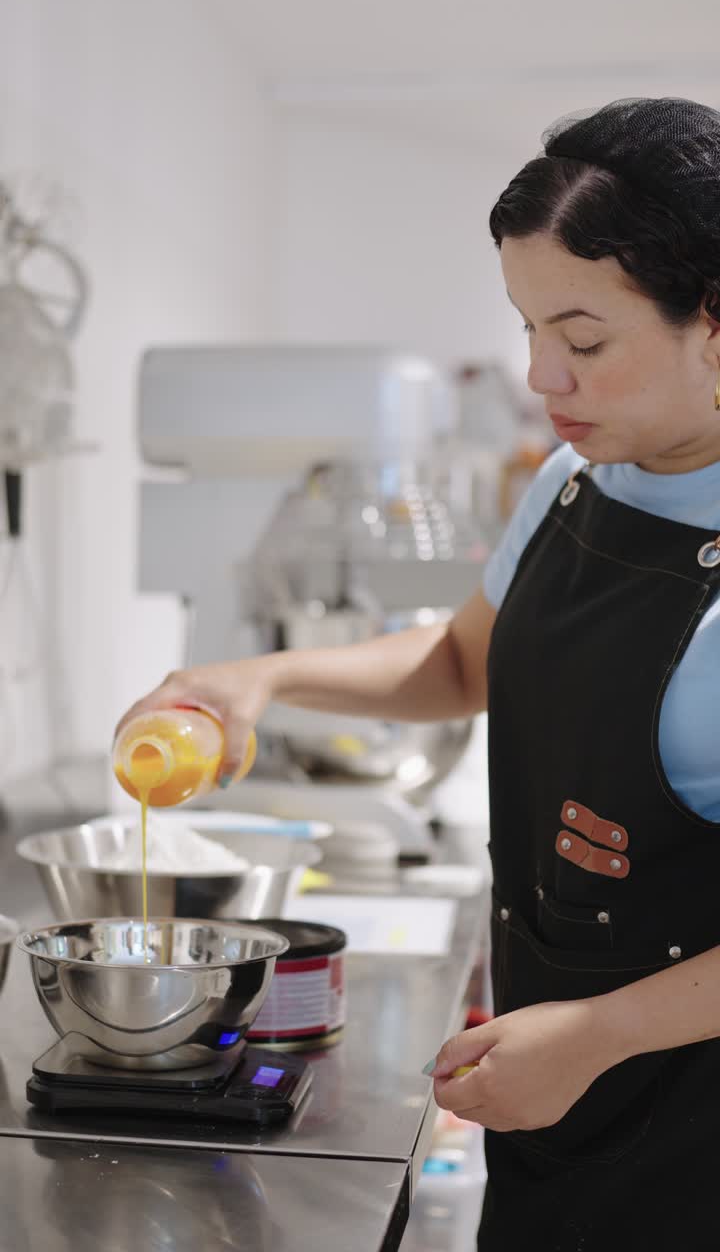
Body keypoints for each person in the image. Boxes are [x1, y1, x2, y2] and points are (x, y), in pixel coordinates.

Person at [119, 97, 720, 1250]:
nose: (543, 373)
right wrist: (259, 675)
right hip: (560, 1094)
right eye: (528, 326)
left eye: (584, 339)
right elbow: (458, 661)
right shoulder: (575, 481)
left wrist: (598, 1032)